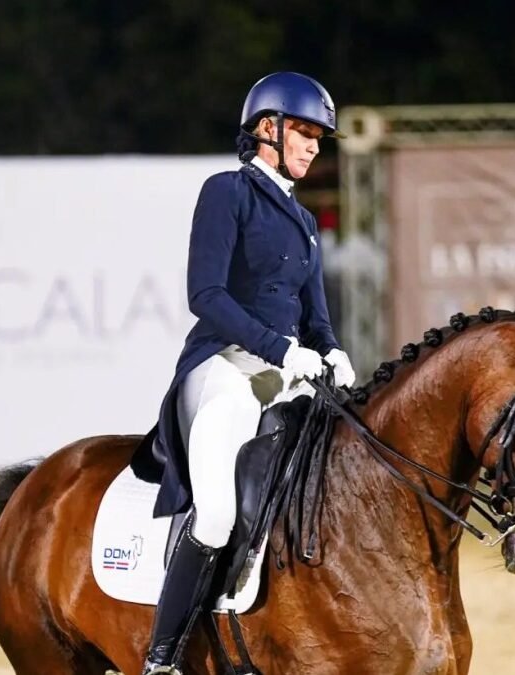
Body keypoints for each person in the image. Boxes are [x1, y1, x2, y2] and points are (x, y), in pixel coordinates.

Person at [130, 72, 356, 675]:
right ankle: (162, 658)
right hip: (221, 367)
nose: (313, 146)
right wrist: (280, 350)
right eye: (305, 132)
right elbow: (205, 295)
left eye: (318, 137)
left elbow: (316, 317)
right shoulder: (226, 192)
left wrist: (332, 351)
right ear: (266, 129)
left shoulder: (305, 222)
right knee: (216, 515)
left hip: (282, 374)